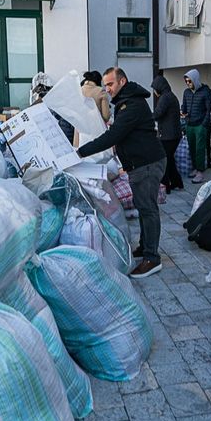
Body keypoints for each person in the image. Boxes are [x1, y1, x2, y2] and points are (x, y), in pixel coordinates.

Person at [78, 67, 166, 279]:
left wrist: (80, 152)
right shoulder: (126, 102)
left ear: (122, 81)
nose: (107, 89)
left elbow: (114, 135)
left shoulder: (132, 105)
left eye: (110, 84)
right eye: (105, 85)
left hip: (147, 164)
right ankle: (146, 246)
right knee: (144, 207)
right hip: (140, 163)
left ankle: (152, 258)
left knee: (148, 209)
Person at [151, 75, 184, 194]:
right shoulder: (171, 95)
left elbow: (158, 114)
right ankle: (177, 182)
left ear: (159, 87)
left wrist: (144, 117)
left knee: (164, 160)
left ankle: (166, 186)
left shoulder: (165, 98)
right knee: (169, 159)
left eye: (155, 89)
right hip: (174, 134)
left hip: (168, 135)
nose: (154, 92)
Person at [180, 69, 211, 183]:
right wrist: (183, 111)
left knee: (200, 149)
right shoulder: (186, 92)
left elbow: (209, 110)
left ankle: (200, 171)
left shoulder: (206, 92)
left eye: (190, 81)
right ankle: (195, 168)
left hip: (200, 125)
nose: (188, 83)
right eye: (186, 81)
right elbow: (184, 106)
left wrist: (204, 124)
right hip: (189, 124)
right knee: (192, 148)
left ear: (195, 80)